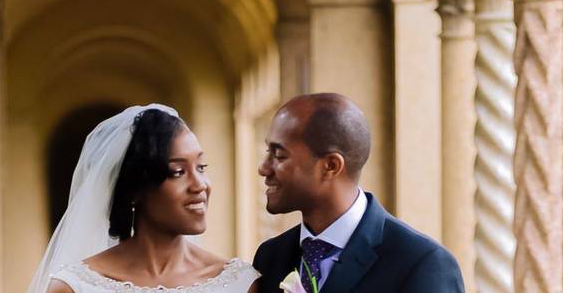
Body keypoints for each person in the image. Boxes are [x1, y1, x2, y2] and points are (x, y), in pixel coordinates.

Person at [27, 104, 259, 293]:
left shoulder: (240, 284)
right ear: (134, 189)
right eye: (177, 172)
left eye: (201, 167)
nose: (200, 185)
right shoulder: (75, 286)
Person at [252, 93, 464, 293]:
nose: (263, 168)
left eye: (279, 156)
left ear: (331, 166)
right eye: (267, 152)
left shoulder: (422, 263)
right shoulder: (270, 257)